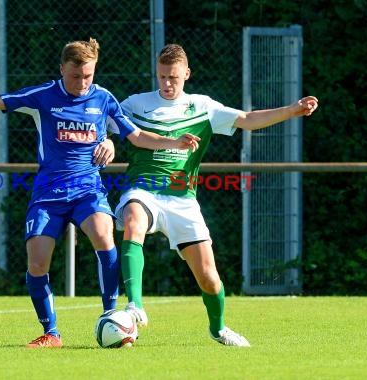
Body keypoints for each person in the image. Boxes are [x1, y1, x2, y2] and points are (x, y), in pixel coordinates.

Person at [0, 38, 200, 348]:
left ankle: (112, 315)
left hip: (88, 190)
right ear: (62, 70)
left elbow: (135, 136)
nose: (83, 83)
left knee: (103, 233)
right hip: (48, 194)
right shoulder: (43, 96)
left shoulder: (104, 99)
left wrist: (173, 142)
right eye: (75, 76)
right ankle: (51, 332)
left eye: (88, 75)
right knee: (37, 263)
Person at [113, 43, 318, 347]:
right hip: (144, 189)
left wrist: (292, 110)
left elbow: (247, 119)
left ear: (187, 74)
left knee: (209, 277)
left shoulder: (203, 107)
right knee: (133, 218)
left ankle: (219, 329)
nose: (167, 84)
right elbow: (100, 123)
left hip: (183, 199)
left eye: (174, 78)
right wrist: (105, 142)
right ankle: (134, 305)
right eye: (162, 77)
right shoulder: (134, 104)